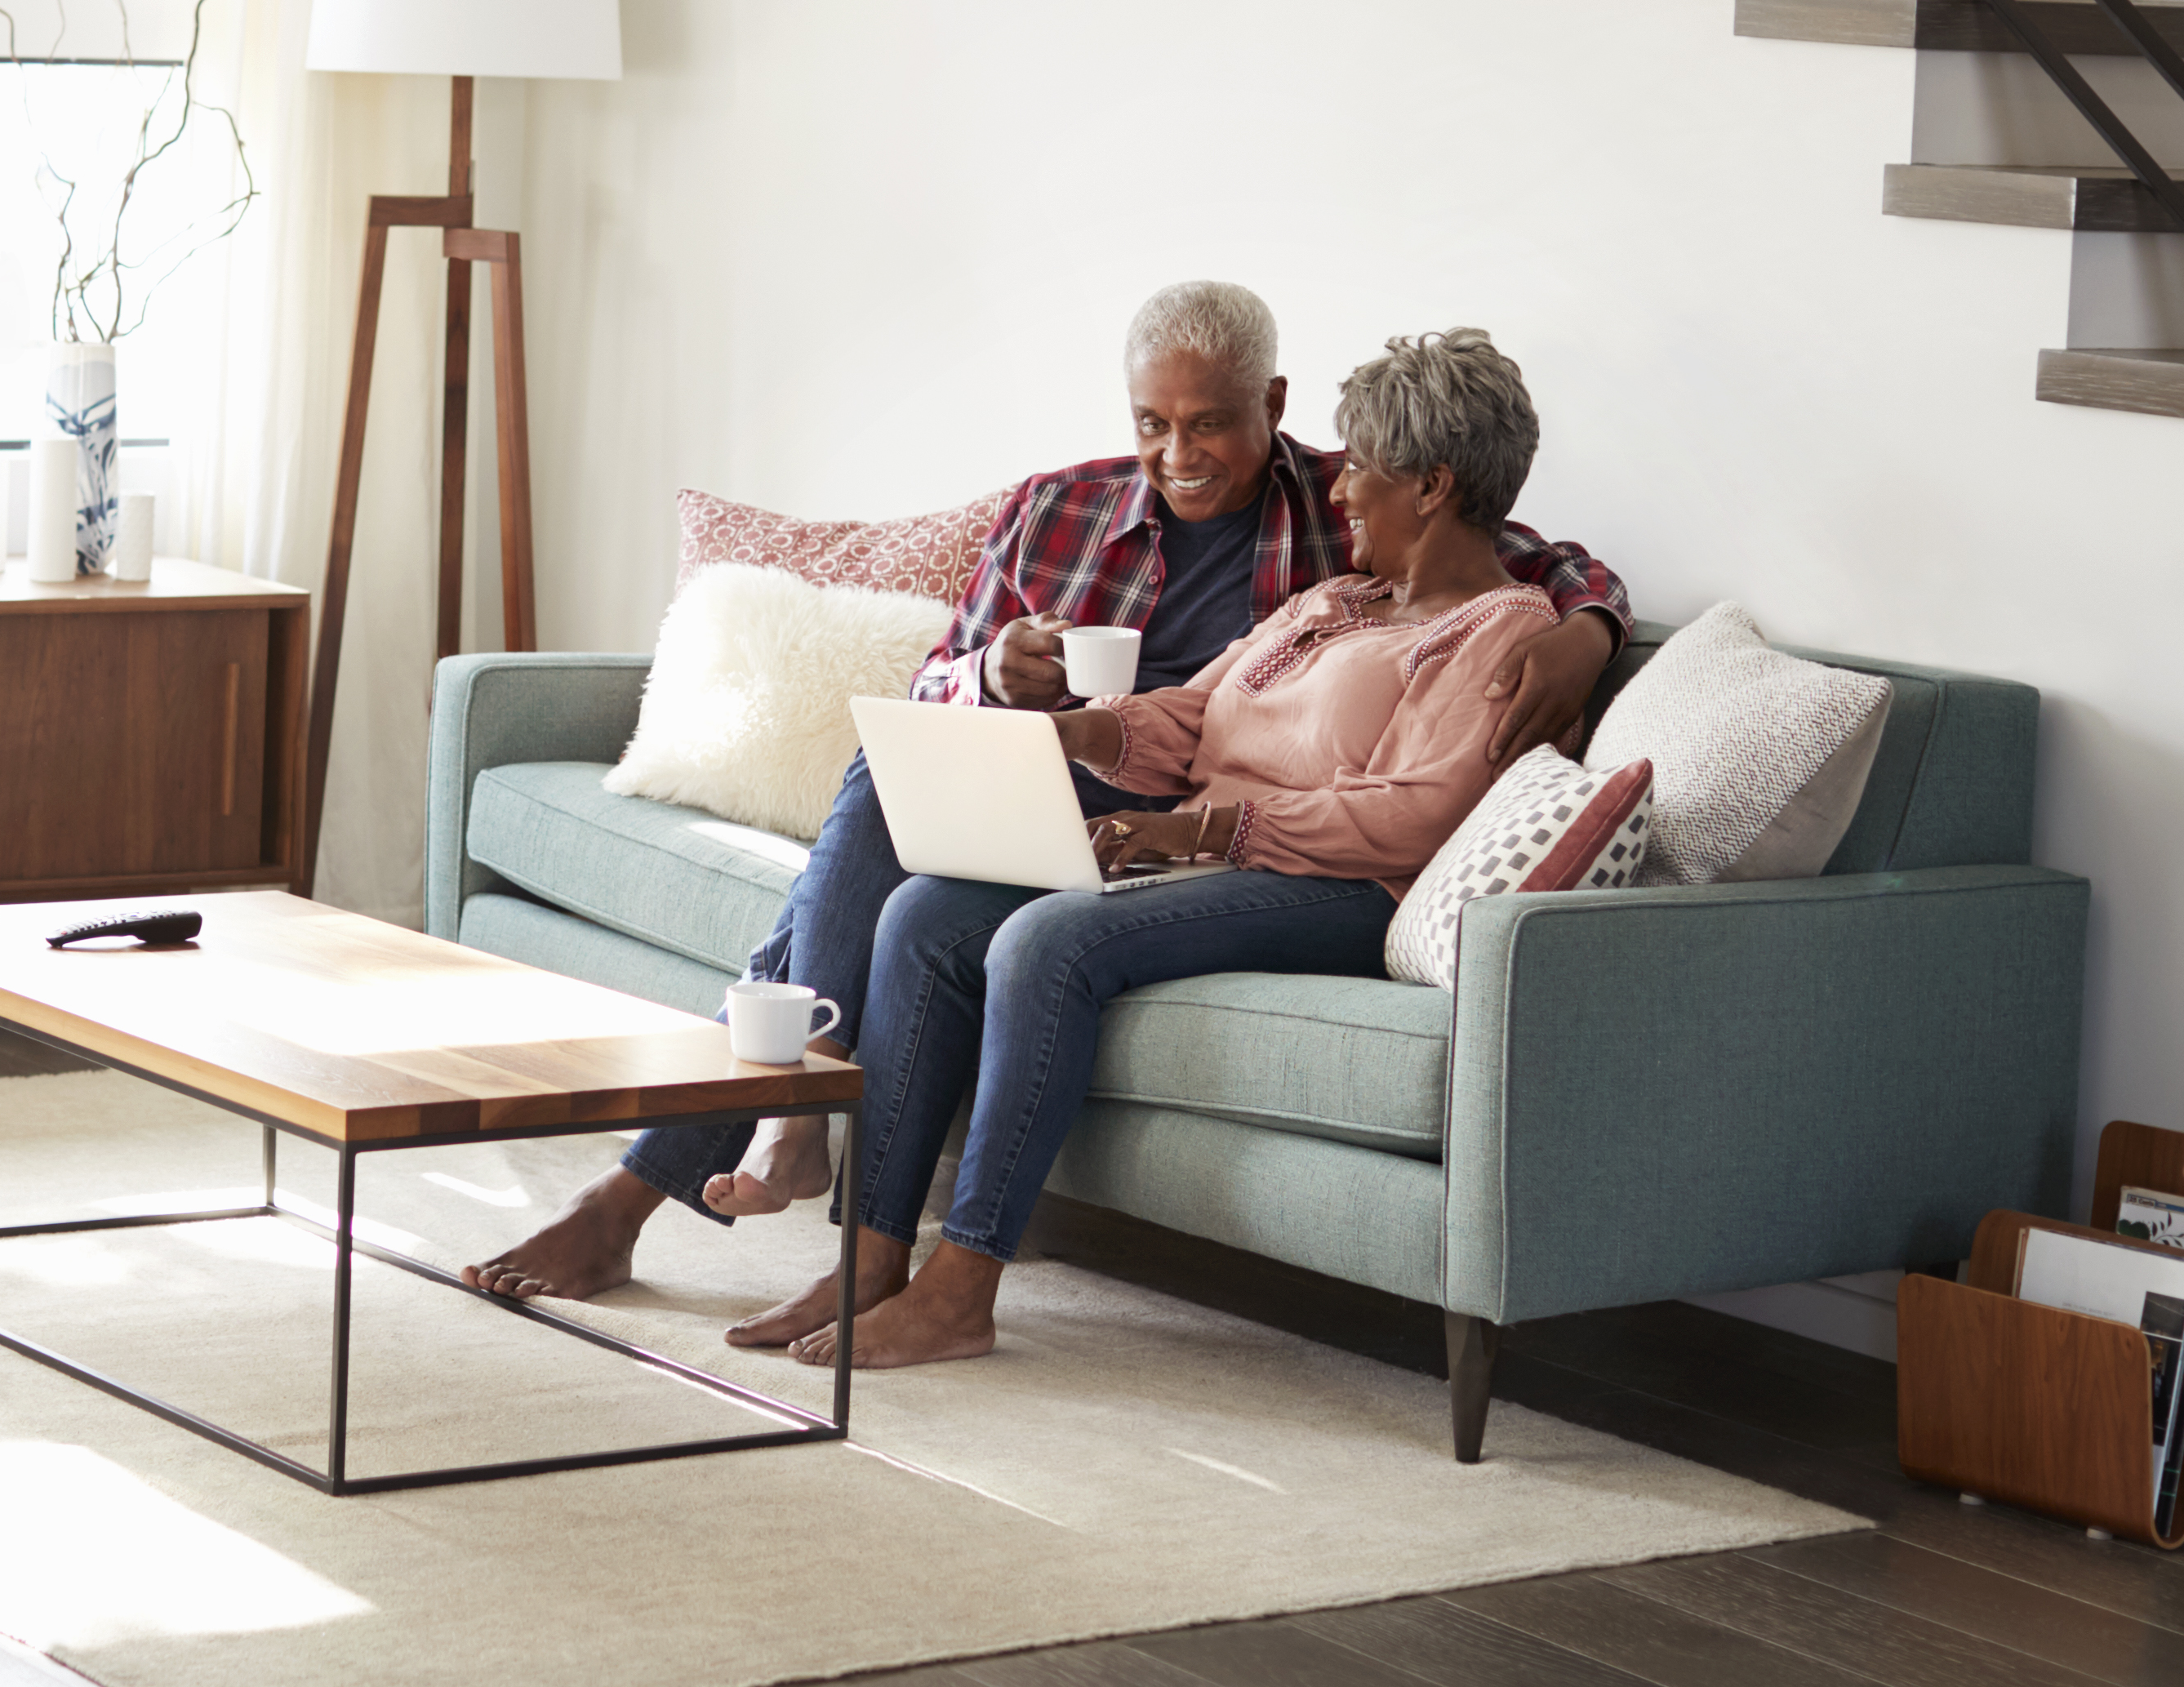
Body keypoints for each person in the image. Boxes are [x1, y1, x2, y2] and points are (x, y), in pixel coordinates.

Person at [460, 283, 1630, 1305]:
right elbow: (987, 689)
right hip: (1090, 764)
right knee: (892, 785)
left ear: (1274, 407)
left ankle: (716, 1156)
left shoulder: (1343, 516)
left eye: (1212, 422)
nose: (1179, 453)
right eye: (1153, 423)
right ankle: (806, 1149)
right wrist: (1004, 686)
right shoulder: (1090, 518)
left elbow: (1505, 551)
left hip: (1198, 821)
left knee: (951, 915)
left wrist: (1591, 627)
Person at [748, 325, 1570, 1364]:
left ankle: (964, 1283)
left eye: (1363, 466)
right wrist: (1075, 732)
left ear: (1435, 485)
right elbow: (1198, 714)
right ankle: (869, 1257)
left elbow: (1416, 808)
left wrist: (1197, 828)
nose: (1343, 489)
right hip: (1213, 855)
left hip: (1339, 886)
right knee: (924, 912)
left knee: (1047, 940)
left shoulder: (1502, 630)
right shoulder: (1335, 602)